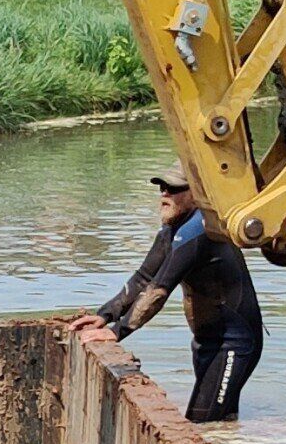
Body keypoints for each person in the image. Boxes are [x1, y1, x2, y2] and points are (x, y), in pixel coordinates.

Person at [69, 163, 264, 423]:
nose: (164, 195)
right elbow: (143, 277)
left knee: (201, 424)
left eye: (173, 189)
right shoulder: (173, 230)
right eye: (162, 188)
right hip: (208, 341)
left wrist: (116, 333)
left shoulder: (200, 232)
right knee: (222, 423)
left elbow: (159, 291)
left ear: (196, 194)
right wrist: (104, 315)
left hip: (233, 344)